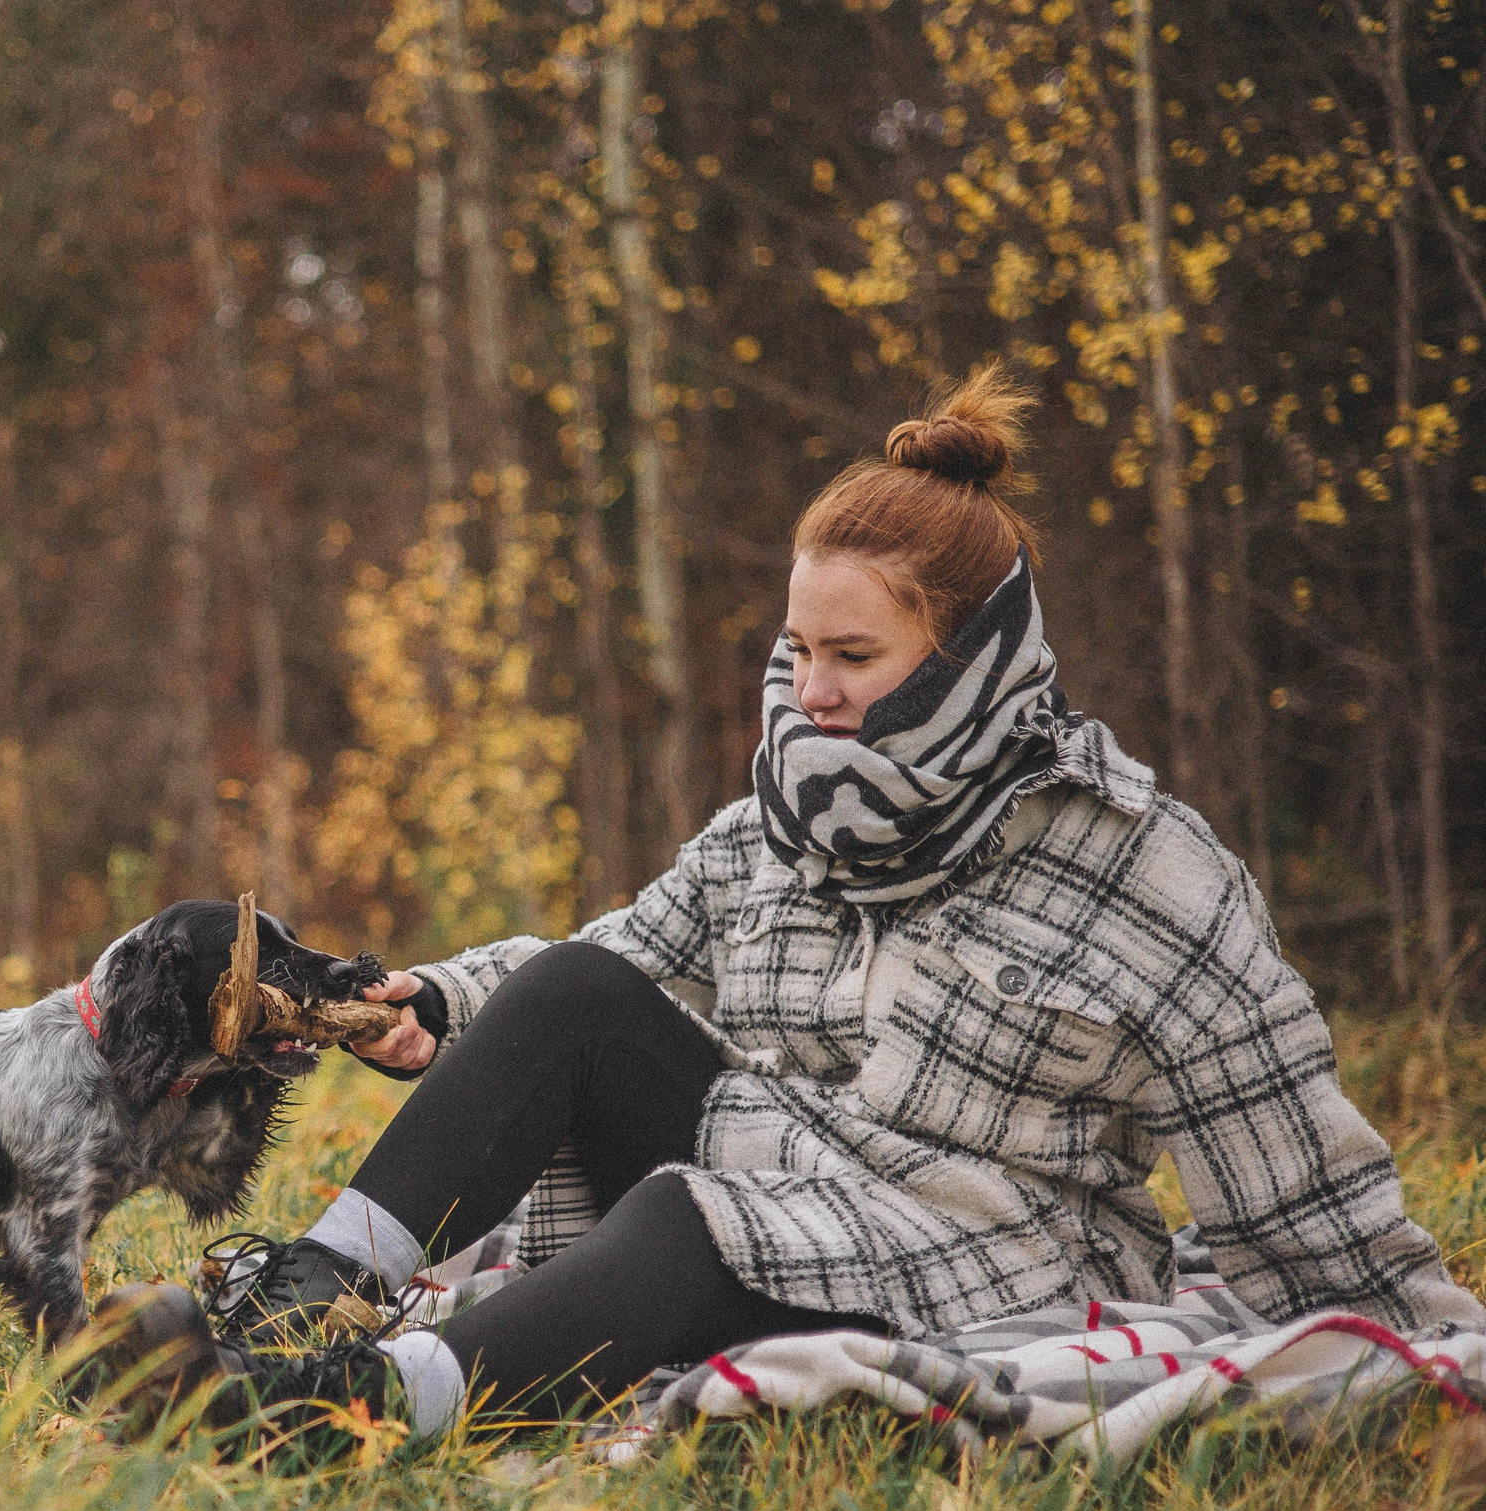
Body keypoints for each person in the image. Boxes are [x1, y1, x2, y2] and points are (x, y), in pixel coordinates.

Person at [94, 366, 1486, 1455]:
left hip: (986, 1255)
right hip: (791, 1167)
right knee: (571, 995)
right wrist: (440, 1005)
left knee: (693, 1222)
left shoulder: (1146, 872)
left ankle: (332, 1415)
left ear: (976, 658)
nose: (808, 693)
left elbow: (1303, 1181)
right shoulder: (783, 823)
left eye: (855, 656)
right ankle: (299, 1298)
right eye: (796, 650)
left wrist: (1421, 1346)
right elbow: (616, 971)